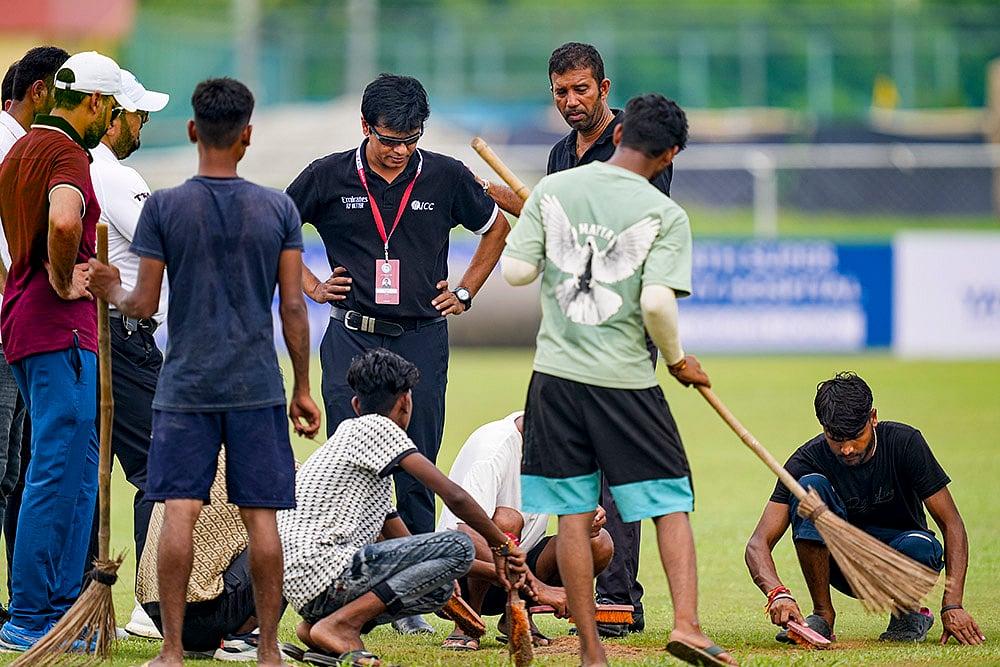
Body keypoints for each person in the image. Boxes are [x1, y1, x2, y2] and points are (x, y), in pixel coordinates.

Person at [87, 76, 321, 667]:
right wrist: (302, 386)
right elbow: (293, 308)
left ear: (193, 131)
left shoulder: (165, 207)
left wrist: (110, 285)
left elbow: (143, 304)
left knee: (180, 510)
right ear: (246, 136)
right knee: (261, 516)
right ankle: (268, 647)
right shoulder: (278, 209)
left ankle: (169, 649)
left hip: (185, 384)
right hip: (255, 383)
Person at [502, 93, 738, 667]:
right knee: (669, 502)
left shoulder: (555, 190)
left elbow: (515, 272)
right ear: (670, 153)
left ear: (622, 130)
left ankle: (589, 649)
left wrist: (549, 234)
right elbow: (657, 302)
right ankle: (686, 625)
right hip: (624, 380)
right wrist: (678, 360)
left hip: (554, 380)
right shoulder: (664, 214)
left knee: (574, 516)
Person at [286, 72, 510, 633]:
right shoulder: (328, 174)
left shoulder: (444, 174)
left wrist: (465, 290)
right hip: (352, 336)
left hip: (421, 336)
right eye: (390, 139)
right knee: (352, 465)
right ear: (365, 127)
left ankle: (413, 603)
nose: (401, 150)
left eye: (411, 138)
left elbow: (496, 226)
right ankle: (345, 589)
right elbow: (274, 233)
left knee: (417, 463)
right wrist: (311, 286)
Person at [487, 43, 671, 637]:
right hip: (568, 332)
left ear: (604, 88)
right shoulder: (559, 154)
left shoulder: (635, 147)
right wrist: (524, 208)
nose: (570, 102)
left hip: (621, 332)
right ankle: (584, 600)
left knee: (623, 470)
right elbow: (552, 239)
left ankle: (620, 601)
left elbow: (625, 231)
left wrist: (535, 208)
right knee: (573, 468)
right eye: (561, 92)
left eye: (581, 90)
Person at [0, 50, 137, 651]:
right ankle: (31, 616)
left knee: (76, 468)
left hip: (31, 325)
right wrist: (62, 279)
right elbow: (62, 223)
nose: (109, 120)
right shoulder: (65, 153)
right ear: (96, 103)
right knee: (58, 469)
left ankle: (61, 610)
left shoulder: (23, 146)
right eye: (109, 108)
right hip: (60, 327)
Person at [277, 348, 527, 666]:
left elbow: (404, 544)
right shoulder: (379, 429)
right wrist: (503, 545)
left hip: (307, 587)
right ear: (405, 402)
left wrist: (496, 575)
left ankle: (315, 629)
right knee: (459, 544)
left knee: (438, 591)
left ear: (356, 404)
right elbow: (456, 496)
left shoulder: (358, 446)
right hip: (324, 573)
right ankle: (340, 625)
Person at [745, 371, 985, 647]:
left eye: (855, 437)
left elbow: (952, 524)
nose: (847, 449)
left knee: (923, 547)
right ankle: (822, 615)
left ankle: (908, 612)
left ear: (873, 418)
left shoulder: (906, 443)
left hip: (901, 561)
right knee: (808, 486)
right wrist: (778, 593)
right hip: (842, 567)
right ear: (823, 428)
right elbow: (757, 543)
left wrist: (952, 605)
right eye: (836, 438)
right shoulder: (805, 460)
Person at [87, 67, 170, 640]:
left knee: (77, 473)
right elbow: (167, 240)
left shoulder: (67, 165)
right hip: (124, 340)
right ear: (110, 114)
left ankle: (57, 600)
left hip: (94, 338)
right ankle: (148, 605)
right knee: (158, 471)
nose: (142, 122)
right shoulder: (113, 175)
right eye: (137, 112)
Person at [436, 411, 613, 651]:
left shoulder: (552, 445)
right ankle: (467, 623)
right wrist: (538, 588)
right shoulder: (492, 450)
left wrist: (587, 517)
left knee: (599, 543)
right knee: (506, 520)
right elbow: (467, 533)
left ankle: (517, 616)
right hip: (460, 578)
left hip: (514, 568)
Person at [0, 46, 70, 622]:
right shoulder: (16, 145)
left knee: (19, 472)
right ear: (45, 91)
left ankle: (20, 606)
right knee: (11, 470)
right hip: (19, 323)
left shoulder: (24, 145)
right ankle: (24, 612)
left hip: (16, 325)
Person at [137, 451, 277, 661]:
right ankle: (242, 638)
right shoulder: (254, 457)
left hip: (163, 618)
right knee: (287, 531)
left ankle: (182, 646)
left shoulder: (187, 457)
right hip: (207, 616)